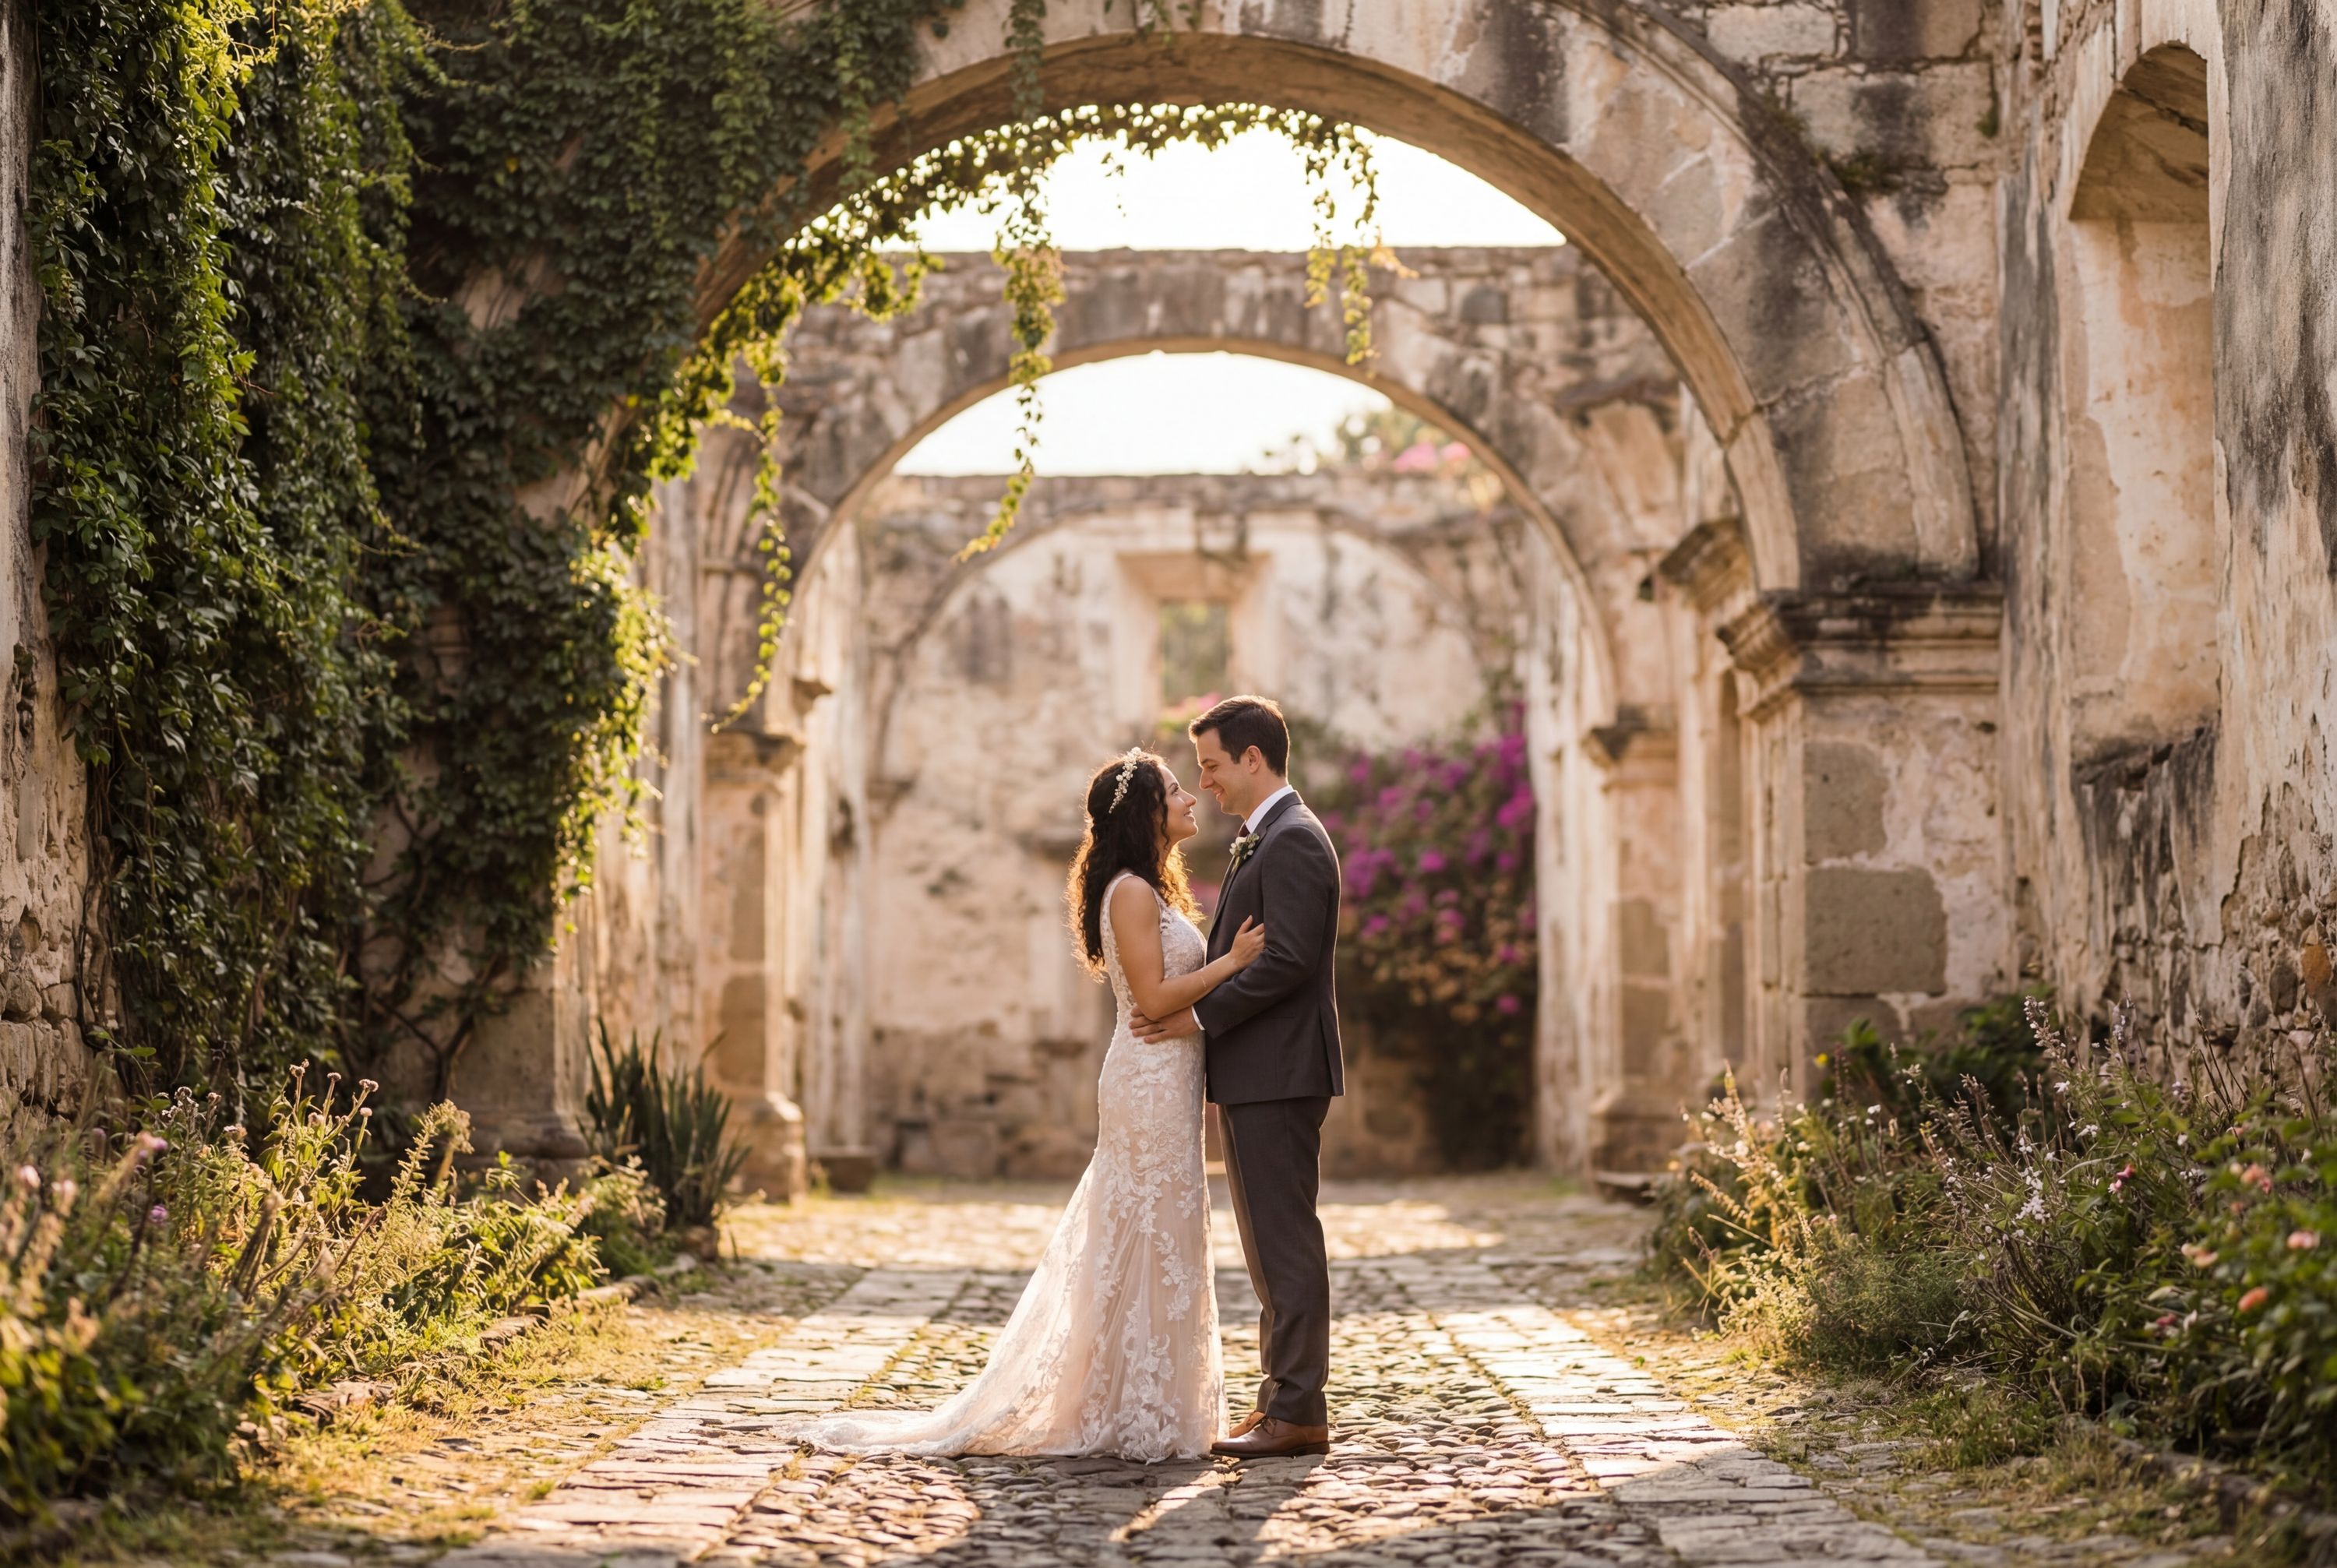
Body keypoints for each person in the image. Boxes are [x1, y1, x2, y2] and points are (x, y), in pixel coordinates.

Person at [785, 747, 1264, 1461]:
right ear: (1146, 813)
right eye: (1175, 789)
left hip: (1169, 1075)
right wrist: (1232, 963)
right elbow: (1155, 997)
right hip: (1146, 1079)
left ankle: (1152, 1403)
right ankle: (1126, 1407)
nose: (1192, 796)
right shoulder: (1130, 891)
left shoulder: (1153, 889)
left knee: (1163, 1234)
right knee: (1145, 1231)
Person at [1134, 694, 1344, 1460]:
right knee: (1268, 1245)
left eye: (1213, 765)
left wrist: (1196, 1019)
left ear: (1254, 758)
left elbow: (1287, 961)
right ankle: (1283, 1401)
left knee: (1284, 1243)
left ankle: (1297, 1410)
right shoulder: (1266, 838)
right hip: (1263, 1072)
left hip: (1279, 1071)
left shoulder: (1291, 840)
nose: (1207, 781)